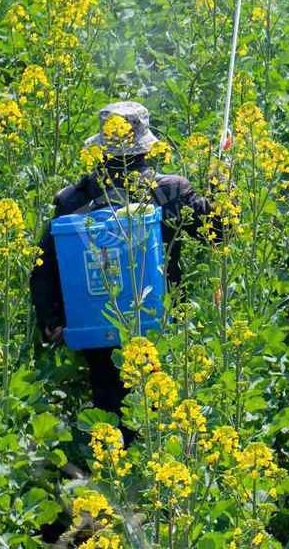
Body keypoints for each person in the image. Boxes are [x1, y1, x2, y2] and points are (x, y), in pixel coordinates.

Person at [30, 101, 211, 431]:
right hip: (160, 327)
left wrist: (52, 321)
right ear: (145, 148)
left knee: (111, 415)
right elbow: (220, 232)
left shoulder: (72, 200)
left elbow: (43, 267)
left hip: (97, 331)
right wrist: (223, 188)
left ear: (101, 148)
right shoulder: (170, 191)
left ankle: (117, 456)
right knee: (162, 418)